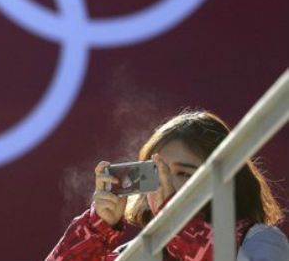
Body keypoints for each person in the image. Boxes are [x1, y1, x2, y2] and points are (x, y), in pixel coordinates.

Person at [45, 110, 289, 260]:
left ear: (226, 180)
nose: (167, 183)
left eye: (184, 173)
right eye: (157, 172)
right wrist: (96, 229)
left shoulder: (260, 239)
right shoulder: (135, 254)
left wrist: (175, 220)